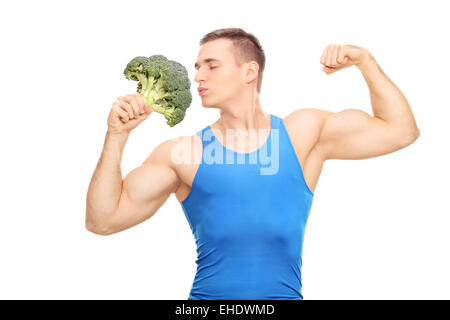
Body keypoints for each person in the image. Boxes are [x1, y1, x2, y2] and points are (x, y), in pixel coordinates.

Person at [85, 28, 420, 300]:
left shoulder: (301, 134)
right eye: (197, 66)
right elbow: (103, 220)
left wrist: (365, 60)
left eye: (211, 65)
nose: (198, 75)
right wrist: (116, 135)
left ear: (249, 71)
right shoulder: (182, 153)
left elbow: (400, 131)